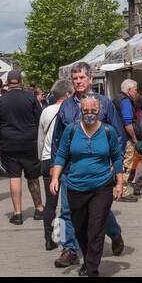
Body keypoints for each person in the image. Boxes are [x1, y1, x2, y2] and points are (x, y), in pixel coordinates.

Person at [52, 62, 126, 265]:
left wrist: (114, 164)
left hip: (99, 170)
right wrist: (55, 170)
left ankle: (115, 233)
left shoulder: (104, 104)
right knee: (67, 211)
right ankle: (69, 249)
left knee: (99, 211)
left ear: (90, 79)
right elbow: (58, 139)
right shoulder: (66, 106)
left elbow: (119, 135)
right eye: (74, 78)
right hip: (71, 170)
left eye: (81, 78)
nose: (78, 82)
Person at [0, 69, 44, 224]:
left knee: (14, 176)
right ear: (21, 82)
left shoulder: (0, 101)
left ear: (7, 83)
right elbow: (40, 119)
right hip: (29, 142)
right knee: (33, 176)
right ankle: (39, 208)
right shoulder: (30, 98)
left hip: (9, 143)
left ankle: (18, 213)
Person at [38, 79, 69, 255]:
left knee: (50, 203)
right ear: (67, 95)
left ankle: (49, 238)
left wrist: (40, 156)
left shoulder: (46, 112)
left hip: (47, 159)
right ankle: (64, 238)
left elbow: (40, 138)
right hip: (63, 161)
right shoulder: (70, 111)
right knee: (65, 204)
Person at [117, 78, 142, 201]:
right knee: (126, 164)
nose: (136, 93)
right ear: (128, 90)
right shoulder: (126, 101)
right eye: (135, 90)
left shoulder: (116, 99)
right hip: (125, 138)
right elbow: (127, 122)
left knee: (118, 164)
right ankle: (123, 191)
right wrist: (134, 138)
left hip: (117, 137)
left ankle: (118, 189)